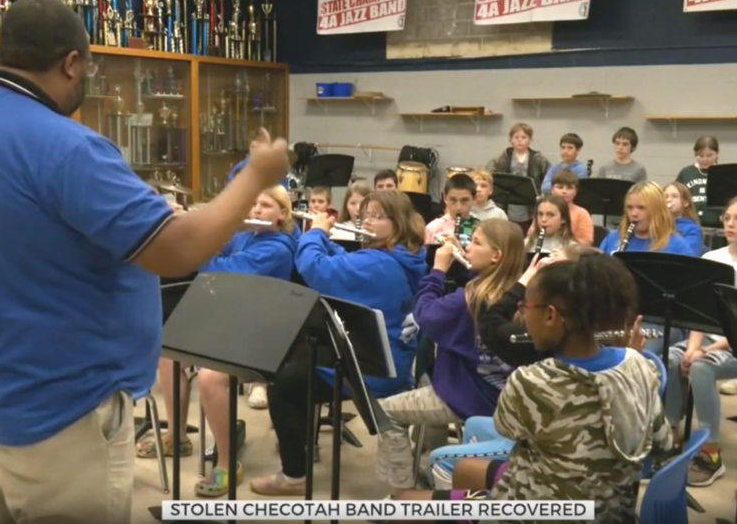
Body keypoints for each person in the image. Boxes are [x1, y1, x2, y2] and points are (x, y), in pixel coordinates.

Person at [0, 0, 289, 524]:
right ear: (72, 63)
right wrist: (257, 176)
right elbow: (180, 250)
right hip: (60, 411)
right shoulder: (68, 146)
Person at [401, 255, 672, 520]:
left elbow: (507, 428)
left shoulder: (532, 380)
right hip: (610, 509)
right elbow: (663, 442)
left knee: (402, 503)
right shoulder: (638, 364)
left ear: (551, 315)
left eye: (525, 308)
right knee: (466, 469)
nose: (523, 315)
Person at [250, 190, 427, 496]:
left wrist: (315, 232)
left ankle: (294, 474)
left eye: (376, 216)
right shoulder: (404, 255)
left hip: (370, 369)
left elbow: (314, 268)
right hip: (388, 357)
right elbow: (348, 261)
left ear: (397, 223)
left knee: (283, 379)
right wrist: (326, 238)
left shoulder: (378, 265)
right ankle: (304, 442)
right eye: (365, 215)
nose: (367, 221)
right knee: (296, 358)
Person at [137, 186, 298, 485]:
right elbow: (222, 247)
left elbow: (222, 270)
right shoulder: (251, 235)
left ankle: (226, 462)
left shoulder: (276, 248)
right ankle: (177, 436)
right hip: (233, 320)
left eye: (265, 205)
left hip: (264, 333)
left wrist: (199, 244)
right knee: (168, 358)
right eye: (253, 204)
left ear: (283, 214)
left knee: (210, 378)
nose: (256, 210)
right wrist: (199, 224)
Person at [376, 220, 524, 492]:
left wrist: (438, 269)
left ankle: (402, 495)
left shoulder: (467, 299)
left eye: (476, 243)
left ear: (496, 256)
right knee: (424, 379)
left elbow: (426, 315)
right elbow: (479, 287)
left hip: (469, 394)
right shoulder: (514, 293)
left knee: (384, 412)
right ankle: (439, 468)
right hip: (500, 392)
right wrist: (463, 256)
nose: (469, 246)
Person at [664, 195, 737, 487]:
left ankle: (710, 451)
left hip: (731, 344)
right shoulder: (711, 260)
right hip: (705, 336)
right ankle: (671, 433)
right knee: (671, 357)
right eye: (728, 218)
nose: (731, 225)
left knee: (702, 368)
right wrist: (693, 347)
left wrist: (706, 351)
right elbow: (700, 314)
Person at [599, 181, 692, 355]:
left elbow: (689, 298)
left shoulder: (677, 246)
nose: (634, 214)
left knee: (634, 353)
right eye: (630, 207)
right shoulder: (614, 239)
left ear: (657, 210)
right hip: (617, 318)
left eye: (641, 208)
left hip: (660, 322)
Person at [486, 123, 550, 233]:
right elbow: (488, 174)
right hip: (508, 204)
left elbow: (549, 177)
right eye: (516, 137)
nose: (520, 140)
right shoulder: (503, 158)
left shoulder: (538, 159)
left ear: (530, 140)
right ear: (511, 140)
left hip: (529, 205)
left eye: (524, 137)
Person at [676, 135, 720, 227]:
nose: (705, 159)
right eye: (700, 156)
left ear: (717, 154)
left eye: (709, 155)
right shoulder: (686, 173)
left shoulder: (723, 173)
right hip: (689, 223)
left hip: (716, 227)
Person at [424, 174, 479, 248]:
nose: (458, 207)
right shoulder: (432, 228)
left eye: (464, 200)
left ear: (474, 199)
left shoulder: (480, 229)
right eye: (453, 200)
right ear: (445, 198)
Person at [550, 169, 594, 246]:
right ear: (552, 189)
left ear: (576, 191)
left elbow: (586, 243)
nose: (564, 191)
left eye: (569, 188)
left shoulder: (582, 214)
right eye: (560, 187)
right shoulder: (543, 210)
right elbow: (532, 236)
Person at [664, 181, 703, 256]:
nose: (669, 200)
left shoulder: (692, 229)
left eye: (674, 196)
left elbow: (690, 256)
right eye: (665, 197)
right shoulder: (657, 224)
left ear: (685, 203)